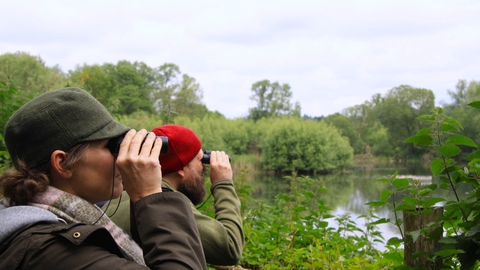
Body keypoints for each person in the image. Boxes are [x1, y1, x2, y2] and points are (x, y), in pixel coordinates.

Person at [0, 87, 207, 269]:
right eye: (113, 146)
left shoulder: (47, 226)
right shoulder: (49, 250)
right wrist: (150, 195)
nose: (122, 158)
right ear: (63, 163)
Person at [105, 124, 244, 266]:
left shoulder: (117, 198)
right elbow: (230, 248)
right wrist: (223, 183)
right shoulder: (164, 202)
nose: (204, 167)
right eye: (200, 159)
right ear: (181, 169)